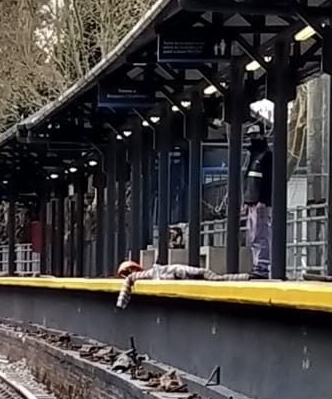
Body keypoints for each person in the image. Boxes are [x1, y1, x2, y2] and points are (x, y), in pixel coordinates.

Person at [115, 260, 250, 309]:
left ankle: (246, 276)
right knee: (216, 278)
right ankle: (246, 276)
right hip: (179, 273)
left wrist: (121, 303)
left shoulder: (146, 274)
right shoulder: (145, 275)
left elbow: (128, 281)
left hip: (180, 272)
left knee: (215, 278)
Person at [244, 123, 273, 279]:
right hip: (252, 202)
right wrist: (247, 201)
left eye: (255, 135)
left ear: (262, 135)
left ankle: (261, 267)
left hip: (260, 203)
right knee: (253, 235)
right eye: (251, 136)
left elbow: (268, 180)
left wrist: (263, 200)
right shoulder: (254, 156)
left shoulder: (266, 155)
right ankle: (258, 266)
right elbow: (249, 181)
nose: (252, 139)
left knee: (260, 235)